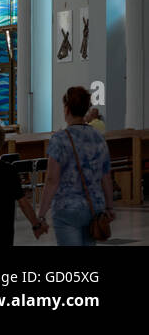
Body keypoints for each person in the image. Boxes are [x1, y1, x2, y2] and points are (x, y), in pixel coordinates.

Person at [37, 86, 114, 246]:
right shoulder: (99, 138)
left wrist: (41, 214)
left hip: (67, 208)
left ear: (66, 109)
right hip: (94, 206)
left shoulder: (59, 140)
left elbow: (52, 180)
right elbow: (106, 176)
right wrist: (109, 206)